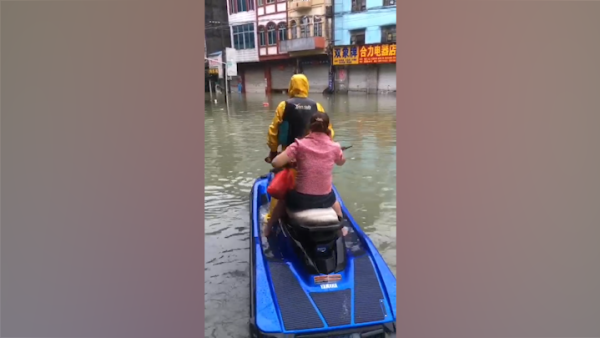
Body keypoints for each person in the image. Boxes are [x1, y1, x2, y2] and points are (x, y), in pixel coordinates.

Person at [264, 74, 335, 224]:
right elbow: (329, 132)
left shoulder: (284, 105)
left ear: (291, 86)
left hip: (290, 158)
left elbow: (274, 131)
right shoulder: (317, 106)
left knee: (281, 189)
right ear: (306, 86)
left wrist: (273, 151)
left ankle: (271, 220)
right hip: (311, 159)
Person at [264, 112, 346, 237]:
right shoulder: (334, 147)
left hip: (301, 201)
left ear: (309, 127)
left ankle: (269, 227)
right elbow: (341, 162)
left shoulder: (299, 144)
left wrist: (292, 161)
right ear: (328, 128)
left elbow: (275, 163)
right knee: (333, 198)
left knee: (283, 200)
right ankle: (342, 227)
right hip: (325, 199)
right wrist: (338, 149)